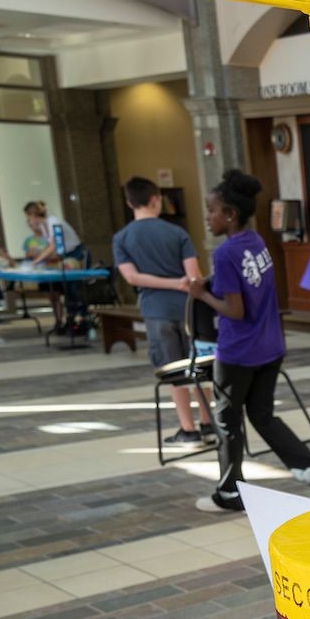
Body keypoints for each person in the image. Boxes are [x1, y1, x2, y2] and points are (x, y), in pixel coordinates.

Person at [186, 171, 310, 514]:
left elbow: (235, 309)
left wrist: (200, 293)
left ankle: (228, 492)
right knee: (262, 416)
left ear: (230, 214)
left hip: (238, 351)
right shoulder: (256, 241)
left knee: (226, 420)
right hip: (270, 345)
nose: (207, 217)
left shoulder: (225, 253)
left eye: (211, 211)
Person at [113, 177, 213, 446]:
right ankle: (208, 424)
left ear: (129, 203)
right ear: (156, 199)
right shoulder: (177, 233)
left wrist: (167, 283)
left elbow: (131, 278)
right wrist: (179, 283)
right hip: (190, 310)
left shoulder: (121, 238)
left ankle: (187, 429)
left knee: (172, 369)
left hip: (156, 311)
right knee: (200, 365)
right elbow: (194, 277)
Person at [23, 200, 89, 330]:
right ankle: (70, 318)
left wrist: (37, 260)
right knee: (65, 288)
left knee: (74, 288)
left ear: (33, 215)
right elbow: (49, 247)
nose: (29, 222)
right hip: (65, 256)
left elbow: (54, 245)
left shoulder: (54, 222)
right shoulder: (44, 226)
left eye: (29, 217)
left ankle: (81, 317)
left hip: (75, 254)